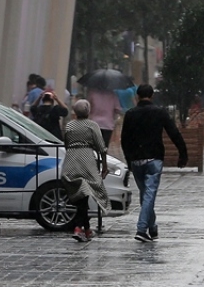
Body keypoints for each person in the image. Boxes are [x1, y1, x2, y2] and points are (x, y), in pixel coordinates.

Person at [120, 84, 187, 243]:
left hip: (136, 159)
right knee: (149, 195)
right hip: (154, 158)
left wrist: (128, 159)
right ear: (152, 96)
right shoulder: (159, 113)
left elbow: (124, 139)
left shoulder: (130, 114)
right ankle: (142, 228)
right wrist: (182, 154)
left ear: (137, 96)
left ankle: (153, 227)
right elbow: (174, 133)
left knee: (146, 194)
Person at [63, 100, 111, 243]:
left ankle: (87, 229)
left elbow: (66, 143)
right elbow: (101, 147)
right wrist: (104, 165)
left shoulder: (69, 125)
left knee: (81, 196)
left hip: (71, 160)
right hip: (86, 160)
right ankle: (79, 228)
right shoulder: (92, 125)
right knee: (87, 193)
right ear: (88, 111)